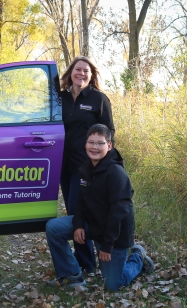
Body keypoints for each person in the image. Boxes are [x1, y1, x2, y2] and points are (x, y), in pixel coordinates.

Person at [46, 124, 154, 290]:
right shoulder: (86, 169)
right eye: (91, 142)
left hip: (115, 235)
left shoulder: (116, 173)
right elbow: (81, 201)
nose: (94, 147)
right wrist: (79, 224)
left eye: (100, 143)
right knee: (54, 228)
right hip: (93, 225)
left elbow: (119, 213)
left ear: (109, 145)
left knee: (113, 285)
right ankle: (71, 275)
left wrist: (107, 245)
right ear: (86, 144)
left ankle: (138, 257)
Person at [59, 56, 115, 274]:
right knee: (74, 210)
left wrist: (104, 165)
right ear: (70, 72)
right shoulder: (60, 98)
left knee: (76, 212)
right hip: (63, 165)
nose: (81, 74)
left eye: (86, 71)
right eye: (77, 69)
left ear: (91, 76)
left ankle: (86, 263)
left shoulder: (98, 99)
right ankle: (86, 259)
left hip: (85, 166)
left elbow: (109, 133)